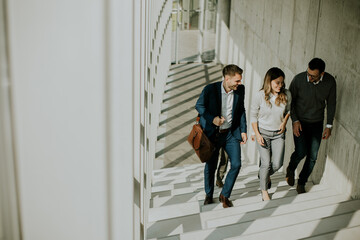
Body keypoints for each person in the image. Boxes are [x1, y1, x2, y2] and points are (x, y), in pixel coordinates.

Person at [195, 64, 247, 208]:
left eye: (240, 80)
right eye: (237, 80)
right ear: (227, 78)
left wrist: (243, 130)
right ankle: (209, 195)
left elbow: (241, 110)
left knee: (236, 164)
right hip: (213, 135)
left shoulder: (240, 90)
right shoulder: (210, 89)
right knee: (210, 166)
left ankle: (225, 194)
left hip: (230, 133)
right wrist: (213, 119)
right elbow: (199, 106)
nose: (240, 83)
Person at [286, 58, 336, 194]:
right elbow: (290, 103)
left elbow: (331, 104)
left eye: (313, 76)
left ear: (322, 74)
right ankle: (291, 168)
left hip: (317, 123)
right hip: (300, 122)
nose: (309, 77)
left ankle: (301, 182)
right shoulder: (298, 80)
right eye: (308, 73)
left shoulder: (330, 82)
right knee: (301, 151)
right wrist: (294, 121)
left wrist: (329, 126)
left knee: (313, 156)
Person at [250, 67, 291, 201]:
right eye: (277, 83)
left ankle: (263, 174)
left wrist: (284, 122)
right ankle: (264, 191)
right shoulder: (260, 96)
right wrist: (257, 134)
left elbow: (289, 111)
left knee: (277, 164)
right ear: (269, 81)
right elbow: (253, 116)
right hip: (263, 133)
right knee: (266, 163)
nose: (280, 86)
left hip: (279, 134)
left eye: (282, 83)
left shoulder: (287, 94)